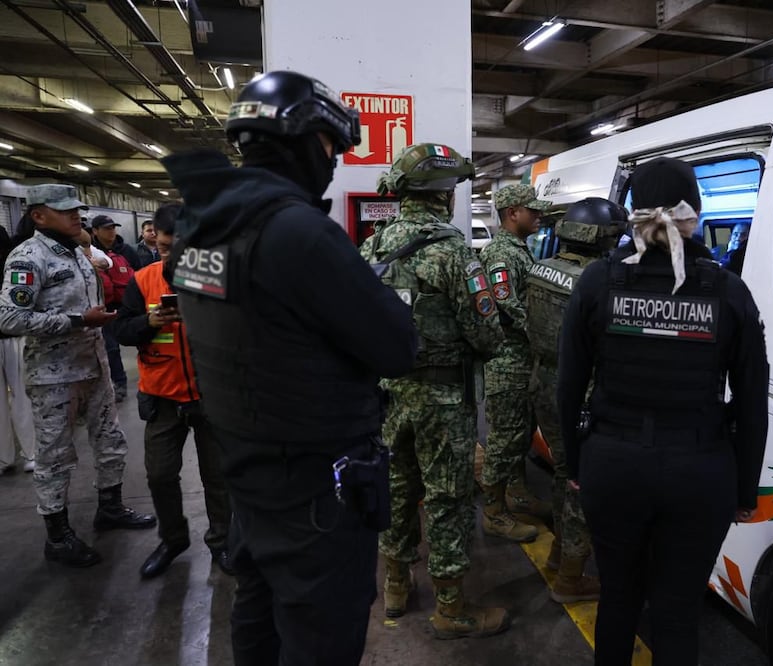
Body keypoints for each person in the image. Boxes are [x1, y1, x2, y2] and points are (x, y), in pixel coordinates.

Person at [161, 70, 418, 666]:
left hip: (248, 471)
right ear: (306, 140)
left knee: (257, 617)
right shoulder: (299, 233)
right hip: (315, 490)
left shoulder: (202, 229)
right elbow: (398, 348)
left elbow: (258, 329)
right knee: (321, 634)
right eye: (331, 146)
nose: (332, 162)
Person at [557, 158, 769, 665]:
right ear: (694, 212)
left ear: (633, 214)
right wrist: (744, 489)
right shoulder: (729, 292)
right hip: (700, 471)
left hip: (612, 464)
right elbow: (751, 399)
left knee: (619, 598)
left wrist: (575, 466)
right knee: (677, 612)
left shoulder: (596, 283)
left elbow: (567, 386)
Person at [359, 143, 508, 638]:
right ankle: (451, 608)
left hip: (388, 395)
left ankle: (397, 587)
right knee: (447, 498)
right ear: (444, 197)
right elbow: (487, 335)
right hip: (443, 401)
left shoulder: (371, 248)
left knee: (397, 490)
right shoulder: (455, 253)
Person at [0, 184, 156, 568]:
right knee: (55, 456)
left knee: (111, 442)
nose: (75, 215)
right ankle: (58, 536)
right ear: (38, 215)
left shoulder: (79, 253)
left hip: (94, 366)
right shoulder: (27, 257)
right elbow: (9, 317)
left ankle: (111, 507)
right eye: (64, 210)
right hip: (55, 377)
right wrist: (76, 320)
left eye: (75, 209)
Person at [111, 203, 233, 579]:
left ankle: (223, 542)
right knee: (160, 475)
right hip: (162, 397)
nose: (171, 255)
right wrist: (148, 322)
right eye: (164, 248)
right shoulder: (142, 280)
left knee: (218, 477)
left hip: (211, 397)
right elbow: (122, 331)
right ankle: (173, 538)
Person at [525, 197, 628, 604]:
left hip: (543, 381)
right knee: (581, 481)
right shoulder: (599, 280)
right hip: (580, 389)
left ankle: (556, 555)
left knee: (563, 471)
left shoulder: (540, 269)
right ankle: (571, 576)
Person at [478, 183, 552, 543]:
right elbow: (506, 302)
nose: (539, 215)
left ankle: (518, 493)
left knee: (521, 433)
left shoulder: (520, 249)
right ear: (512, 214)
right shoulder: (501, 254)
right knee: (505, 439)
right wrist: (543, 334)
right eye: (532, 210)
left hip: (523, 358)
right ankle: (494, 513)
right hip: (509, 359)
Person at [0, 225, 35, 474]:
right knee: (21, 396)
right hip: (13, 334)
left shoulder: (11, 253)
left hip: (13, 334)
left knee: (23, 395)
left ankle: (27, 453)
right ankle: (15, 456)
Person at [90, 215, 135, 403]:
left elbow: (139, 275)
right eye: (107, 228)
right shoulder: (89, 251)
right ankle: (118, 383)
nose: (112, 231)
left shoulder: (126, 251)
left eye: (113, 228)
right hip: (102, 307)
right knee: (110, 348)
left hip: (124, 305)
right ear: (95, 231)